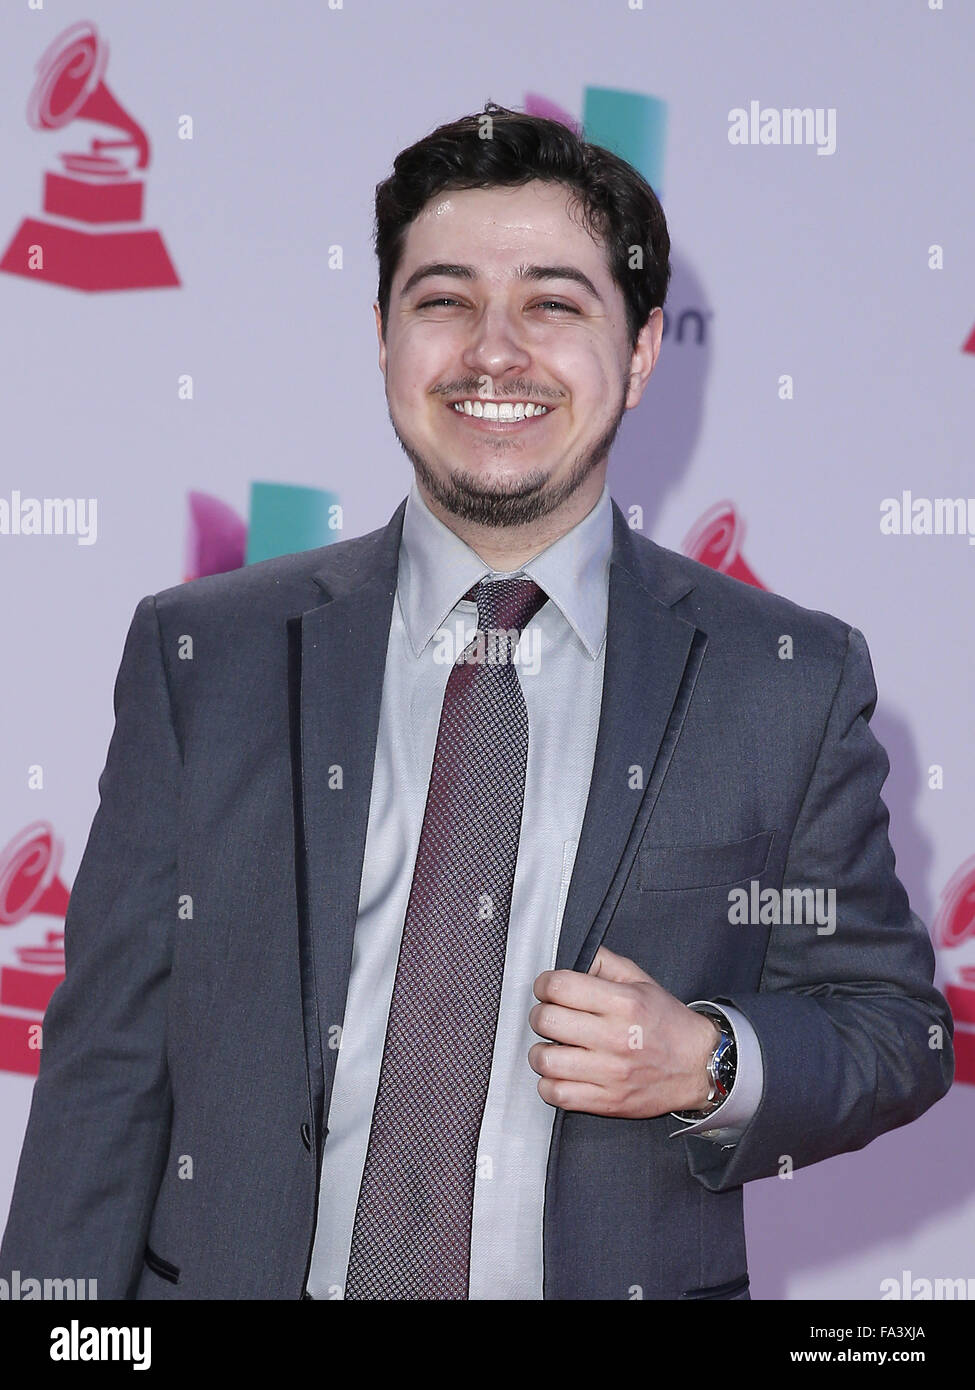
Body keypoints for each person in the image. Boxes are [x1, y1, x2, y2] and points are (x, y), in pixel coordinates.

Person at [0, 102, 954, 1301]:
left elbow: (894, 1027)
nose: (493, 352)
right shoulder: (208, 654)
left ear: (645, 349)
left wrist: (710, 1056)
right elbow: (102, 1074)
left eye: (554, 303)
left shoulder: (785, 677)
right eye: (444, 300)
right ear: (386, 339)